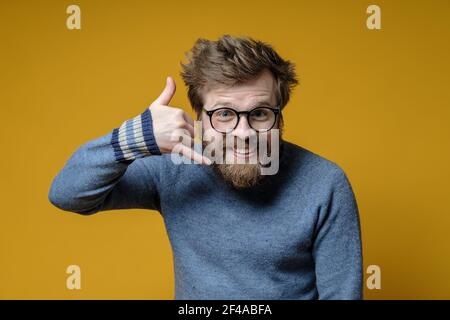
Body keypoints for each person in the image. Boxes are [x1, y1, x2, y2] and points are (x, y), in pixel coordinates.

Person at [49, 35, 363, 300]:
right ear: (199, 117)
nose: (244, 133)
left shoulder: (325, 183)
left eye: (260, 114)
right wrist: (137, 135)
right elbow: (68, 194)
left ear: (279, 116)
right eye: (224, 114)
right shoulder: (173, 166)